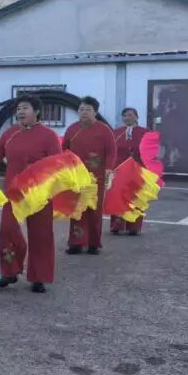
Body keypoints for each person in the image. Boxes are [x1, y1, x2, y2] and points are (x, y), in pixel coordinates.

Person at [0, 95, 61, 293]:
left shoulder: (49, 136)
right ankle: (9, 271)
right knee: (7, 230)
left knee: (40, 234)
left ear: (37, 112)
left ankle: (39, 277)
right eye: (18, 109)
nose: (20, 112)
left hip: (40, 193)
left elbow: (57, 165)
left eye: (25, 108)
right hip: (14, 192)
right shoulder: (10, 134)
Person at [62, 96, 116, 255]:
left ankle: (94, 243)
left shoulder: (104, 130)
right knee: (77, 208)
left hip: (96, 176)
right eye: (81, 109)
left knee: (94, 210)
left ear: (95, 112)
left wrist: (109, 169)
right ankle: (76, 243)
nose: (84, 112)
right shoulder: (72, 129)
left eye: (88, 109)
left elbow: (111, 152)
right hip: (76, 176)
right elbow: (64, 149)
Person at [111, 107, 150, 236]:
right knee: (119, 197)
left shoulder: (145, 133)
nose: (127, 118)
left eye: (130, 115)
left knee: (136, 197)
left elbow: (150, 152)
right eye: (125, 116)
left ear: (136, 117)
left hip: (139, 169)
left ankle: (134, 226)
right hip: (120, 169)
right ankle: (117, 225)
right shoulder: (117, 133)